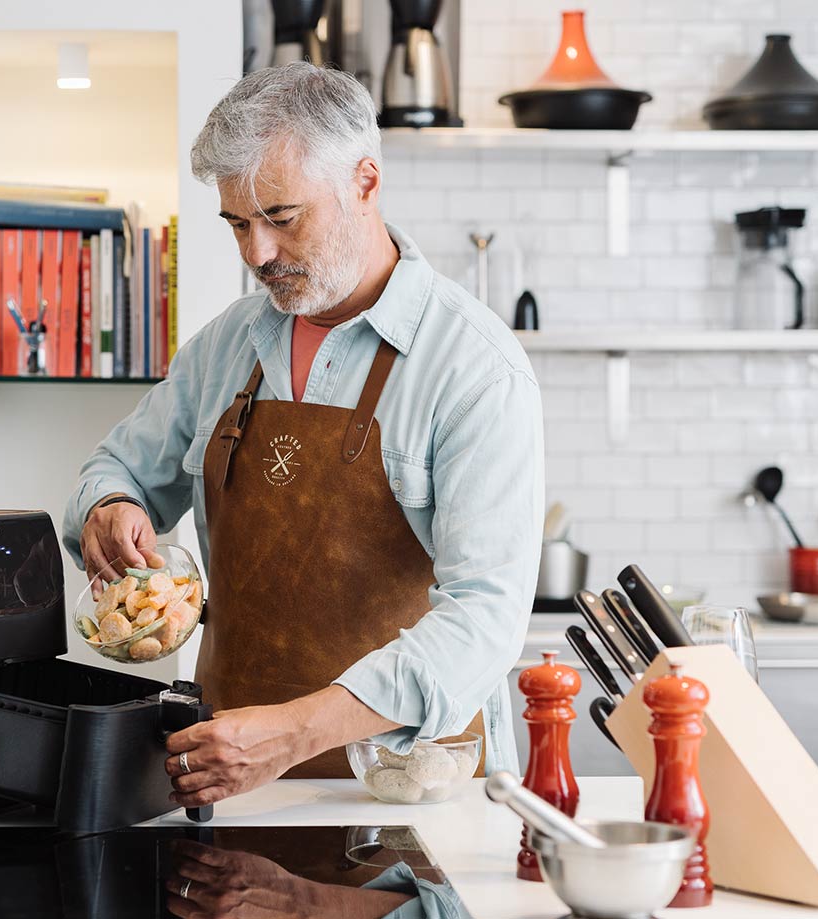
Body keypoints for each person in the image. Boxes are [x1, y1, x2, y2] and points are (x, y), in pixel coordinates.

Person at [65, 62, 542, 810]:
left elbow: (485, 619)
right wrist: (109, 507)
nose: (256, 254)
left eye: (283, 218)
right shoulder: (224, 347)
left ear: (364, 181)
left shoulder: (476, 368)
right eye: (236, 224)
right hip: (229, 780)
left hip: (409, 795)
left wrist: (296, 731)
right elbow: (117, 465)